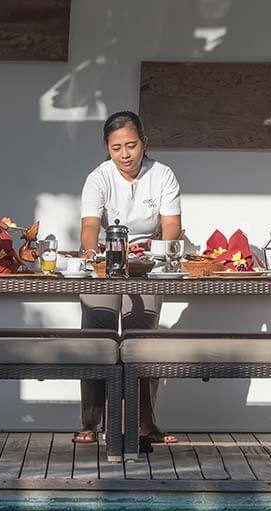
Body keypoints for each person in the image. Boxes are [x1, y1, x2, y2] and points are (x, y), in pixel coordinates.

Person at [74, 111, 182, 448]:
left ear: (144, 143)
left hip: (148, 263)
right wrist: (93, 254)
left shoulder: (163, 175)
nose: (125, 154)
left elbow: (172, 224)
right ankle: (91, 422)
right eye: (116, 147)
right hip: (106, 261)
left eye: (131, 145)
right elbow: (90, 226)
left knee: (143, 341)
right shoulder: (98, 177)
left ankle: (145, 422)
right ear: (107, 148)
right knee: (96, 338)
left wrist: (161, 252)